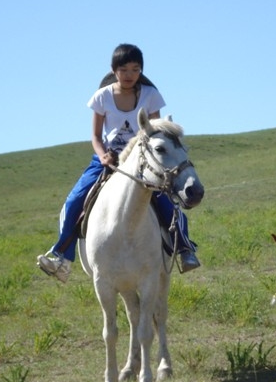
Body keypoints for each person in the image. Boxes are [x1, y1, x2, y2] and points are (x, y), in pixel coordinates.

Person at [37, 43, 200, 283]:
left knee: (167, 202)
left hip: (144, 160)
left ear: (141, 71)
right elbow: (95, 135)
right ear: (114, 71)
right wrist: (103, 155)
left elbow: (157, 133)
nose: (129, 75)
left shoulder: (150, 95)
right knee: (75, 199)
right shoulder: (102, 96)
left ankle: (185, 250)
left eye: (135, 69)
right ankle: (61, 255)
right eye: (123, 70)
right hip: (108, 158)